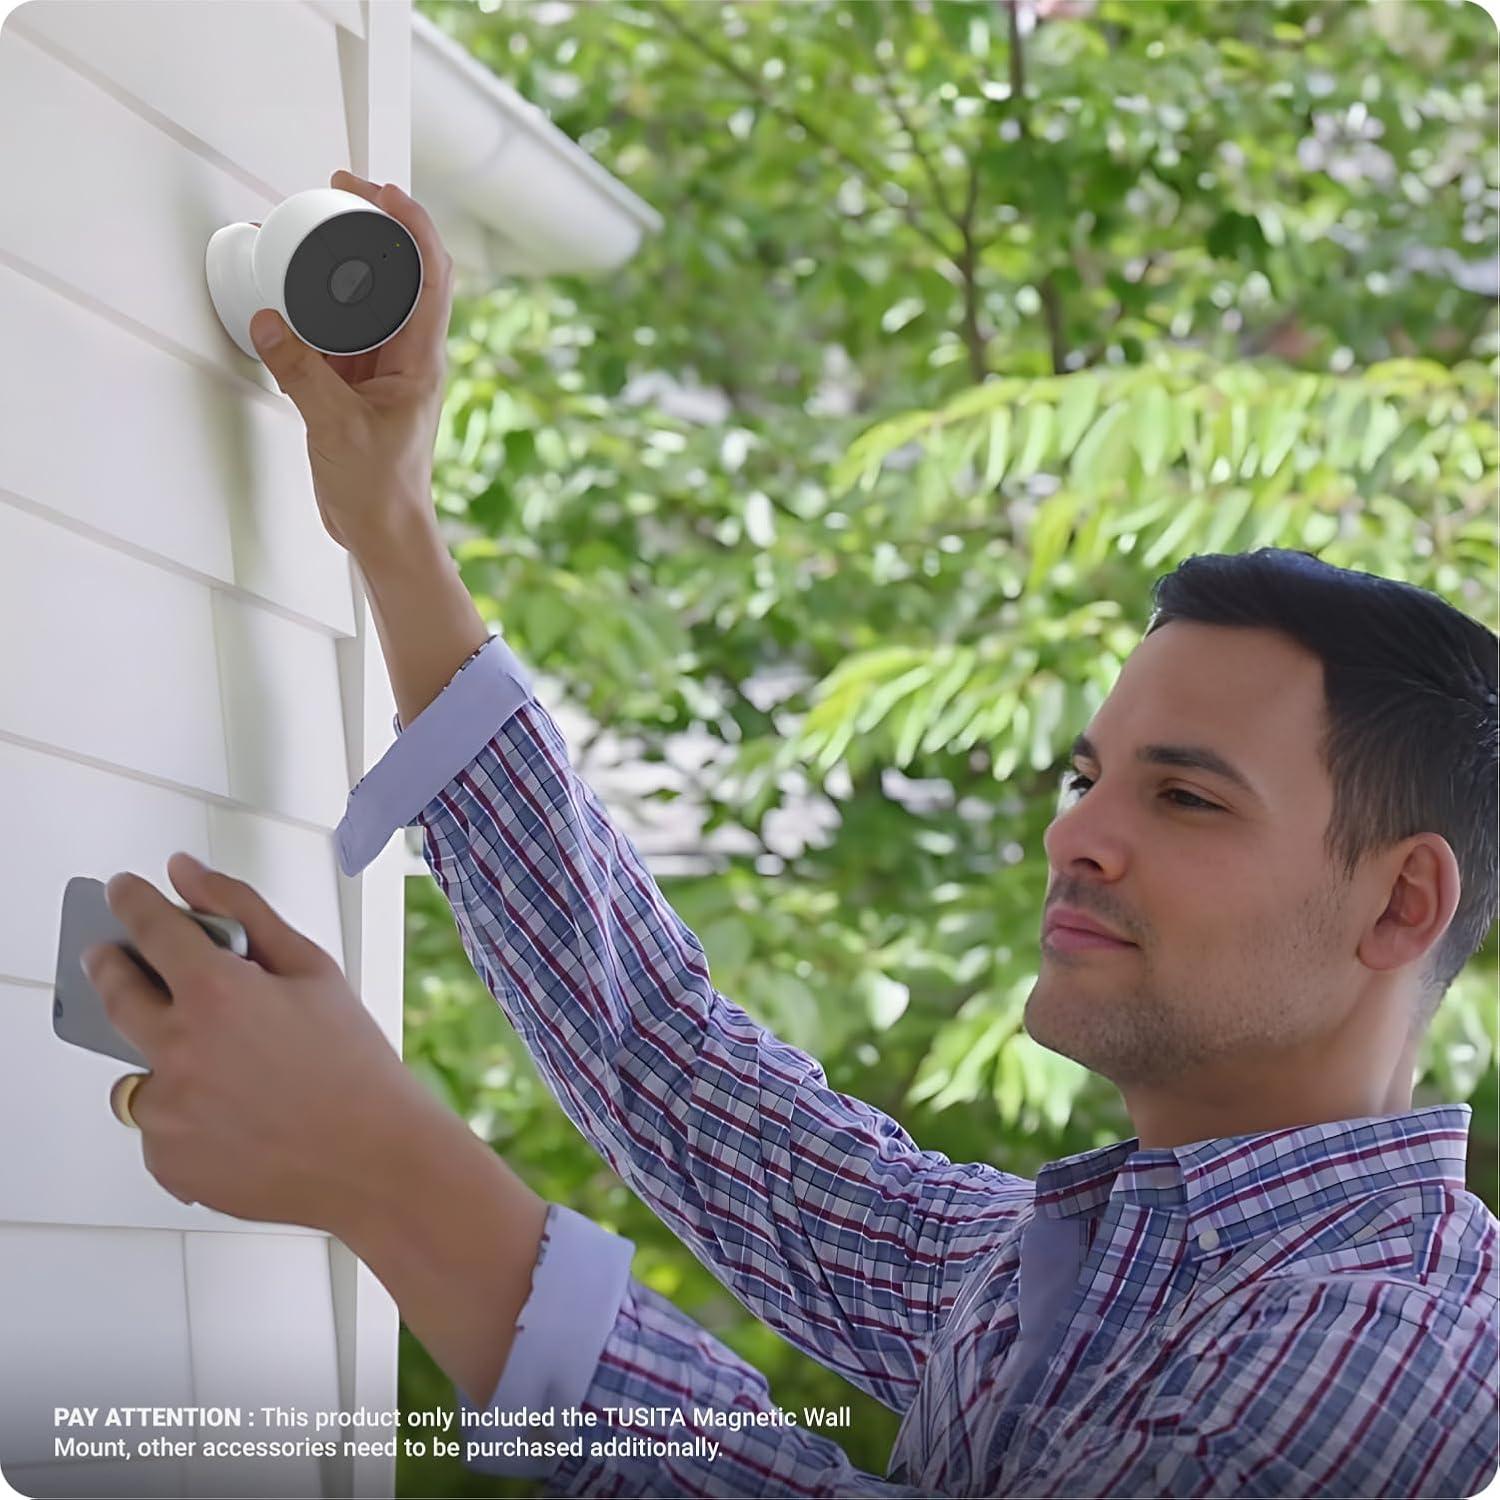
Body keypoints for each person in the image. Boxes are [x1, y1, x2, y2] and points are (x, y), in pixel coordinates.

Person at [88, 172, 1499, 1498]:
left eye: (1184, 797)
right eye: (1086, 777)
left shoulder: (1385, 1353)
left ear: (1400, 905)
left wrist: (391, 1175)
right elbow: (663, 1057)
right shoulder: (1064, 1269)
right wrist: (392, 526)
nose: (1078, 836)